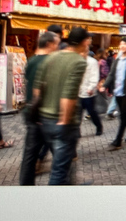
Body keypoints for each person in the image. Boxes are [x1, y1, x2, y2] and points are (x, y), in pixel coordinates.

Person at [33, 27, 90, 185]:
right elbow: (69, 93)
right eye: (88, 41)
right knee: (58, 171)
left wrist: (37, 114)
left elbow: (38, 87)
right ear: (84, 42)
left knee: (64, 163)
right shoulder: (78, 61)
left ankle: (68, 189)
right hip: (63, 123)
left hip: (45, 119)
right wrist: (64, 121)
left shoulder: (52, 57)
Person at [19, 31, 59, 185]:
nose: (57, 47)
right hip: (45, 114)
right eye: (56, 43)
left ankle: (25, 185)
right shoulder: (49, 62)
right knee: (60, 152)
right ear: (49, 44)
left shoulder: (31, 61)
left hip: (31, 112)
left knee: (30, 154)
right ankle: (64, 183)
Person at [102, 38, 126, 151]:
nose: (122, 46)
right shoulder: (117, 59)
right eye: (121, 44)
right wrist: (105, 85)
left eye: (125, 44)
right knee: (124, 115)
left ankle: (118, 141)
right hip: (117, 91)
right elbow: (112, 74)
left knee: (123, 116)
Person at [79, 45, 104, 136]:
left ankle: (99, 126)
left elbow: (94, 76)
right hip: (78, 92)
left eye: (83, 51)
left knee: (92, 112)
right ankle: (77, 131)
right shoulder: (77, 61)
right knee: (78, 113)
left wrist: (91, 87)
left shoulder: (92, 62)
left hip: (89, 93)